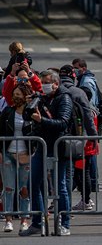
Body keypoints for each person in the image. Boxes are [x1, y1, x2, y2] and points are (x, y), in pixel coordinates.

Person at [19, 70, 73, 236]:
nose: (44, 85)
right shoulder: (43, 98)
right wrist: (30, 105)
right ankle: (38, 222)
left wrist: (41, 120)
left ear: (56, 84)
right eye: (42, 82)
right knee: (33, 183)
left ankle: (65, 223)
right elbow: (28, 116)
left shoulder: (64, 98)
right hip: (42, 146)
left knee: (60, 186)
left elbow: (62, 123)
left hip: (59, 147)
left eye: (47, 82)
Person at [58, 65, 99, 211]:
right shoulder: (78, 92)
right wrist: (93, 136)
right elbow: (88, 116)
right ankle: (66, 206)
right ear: (73, 76)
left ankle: (58, 204)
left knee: (58, 173)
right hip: (74, 139)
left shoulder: (55, 90)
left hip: (54, 138)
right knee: (72, 173)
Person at [0, 84, 33, 232]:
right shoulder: (8, 111)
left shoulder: (31, 113)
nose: (16, 97)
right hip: (8, 154)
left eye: (19, 94)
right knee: (8, 188)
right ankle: (8, 220)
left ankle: (24, 220)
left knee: (24, 189)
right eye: (15, 94)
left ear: (26, 96)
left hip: (26, 155)